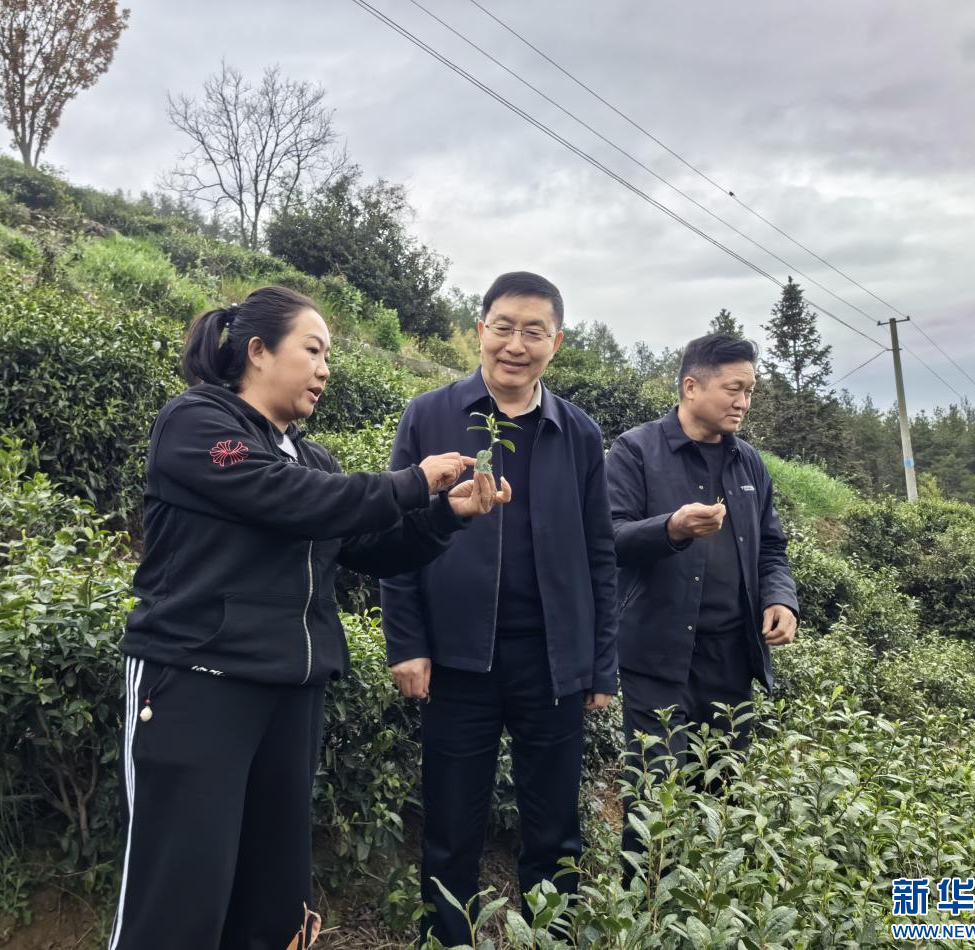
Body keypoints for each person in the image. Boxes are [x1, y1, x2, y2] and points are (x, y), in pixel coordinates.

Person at [110, 286, 509, 950]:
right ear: (258, 351)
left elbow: (370, 546)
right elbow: (291, 499)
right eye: (313, 351)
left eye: (329, 357)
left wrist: (446, 516)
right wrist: (413, 482)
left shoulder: (311, 456)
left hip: (290, 693)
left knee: (273, 901)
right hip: (196, 681)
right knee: (179, 896)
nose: (325, 370)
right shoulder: (197, 423)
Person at [380, 271, 619, 946]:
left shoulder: (578, 433)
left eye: (533, 332)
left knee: (554, 829)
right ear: (480, 329)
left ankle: (550, 938)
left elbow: (600, 552)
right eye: (504, 327)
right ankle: (447, 940)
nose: (516, 344)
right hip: (458, 659)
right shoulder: (429, 416)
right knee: (452, 826)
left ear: (555, 343)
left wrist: (601, 663)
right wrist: (407, 643)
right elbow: (395, 538)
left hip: (552, 662)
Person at [604, 333, 798, 876]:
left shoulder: (749, 463)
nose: (744, 402)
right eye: (734, 389)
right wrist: (671, 528)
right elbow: (609, 538)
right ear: (691, 387)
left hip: (731, 659)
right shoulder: (636, 451)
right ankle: (645, 906)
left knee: (719, 800)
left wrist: (781, 598)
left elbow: (772, 547)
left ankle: (705, 906)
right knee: (653, 799)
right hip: (657, 658)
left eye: (750, 391)